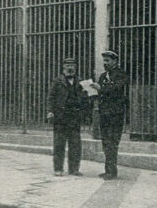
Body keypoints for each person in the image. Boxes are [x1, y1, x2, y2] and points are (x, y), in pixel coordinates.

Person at [46, 57, 87, 176]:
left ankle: (74, 169)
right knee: (59, 144)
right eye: (68, 65)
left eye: (72, 65)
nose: (70, 68)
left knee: (75, 144)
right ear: (63, 67)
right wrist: (50, 111)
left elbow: (85, 98)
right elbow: (51, 97)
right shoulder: (57, 81)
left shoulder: (81, 81)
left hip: (74, 116)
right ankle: (58, 168)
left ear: (75, 67)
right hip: (60, 116)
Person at [94, 49, 128, 180]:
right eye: (104, 61)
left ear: (115, 61)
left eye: (107, 61)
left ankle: (112, 171)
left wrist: (101, 89)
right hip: (104, 113)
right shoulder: (103, 76)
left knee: (112, 142)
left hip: (115, 114)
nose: (105, 63)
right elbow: (101, 93)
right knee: (105, 142)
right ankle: (108, 170)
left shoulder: (121, 74)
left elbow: (116, 89)